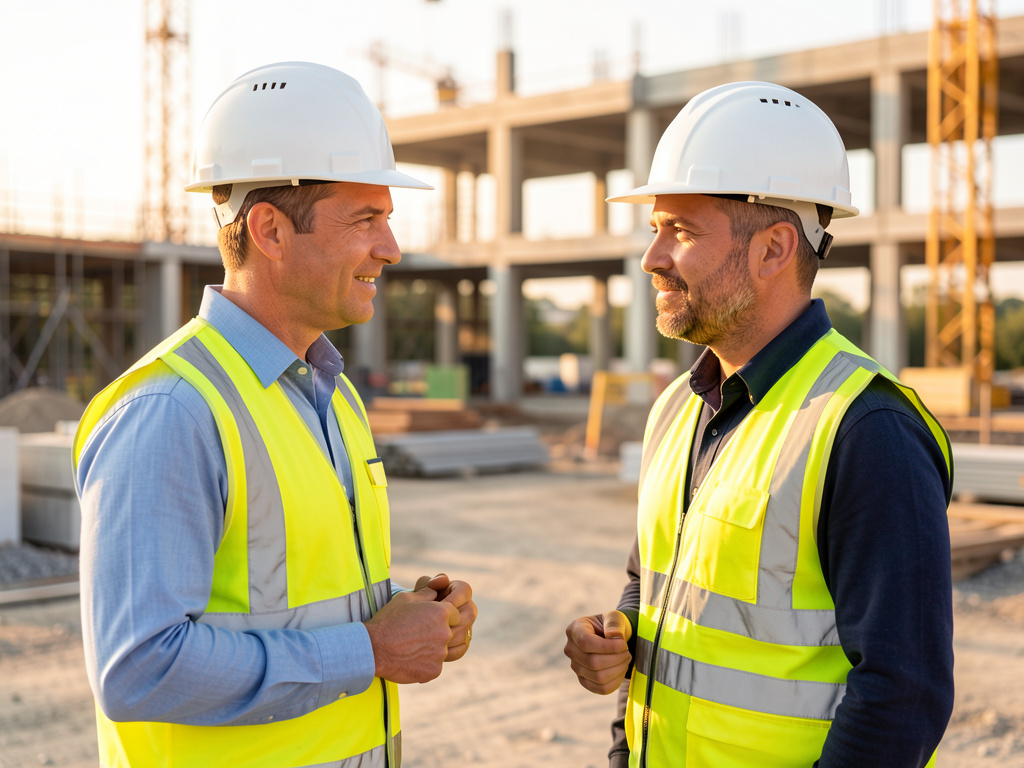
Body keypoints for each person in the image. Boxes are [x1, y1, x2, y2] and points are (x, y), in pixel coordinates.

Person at [73, 61, 477, 768]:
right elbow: (138, 668)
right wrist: (370, 649)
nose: (391, 248)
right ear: (270, 230)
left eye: (387, 219)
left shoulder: (332, 392)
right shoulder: (171, 412)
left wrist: (408, 610)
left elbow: (295, 595)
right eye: (367, 219)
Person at [564, 81, 954, 768]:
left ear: (774, 249)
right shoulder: (677, 407)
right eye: (655, 229)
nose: (652, 258)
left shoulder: (868, 429)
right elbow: (653, 581)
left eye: (680, 231)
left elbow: (903, 696)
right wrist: (619, 632)